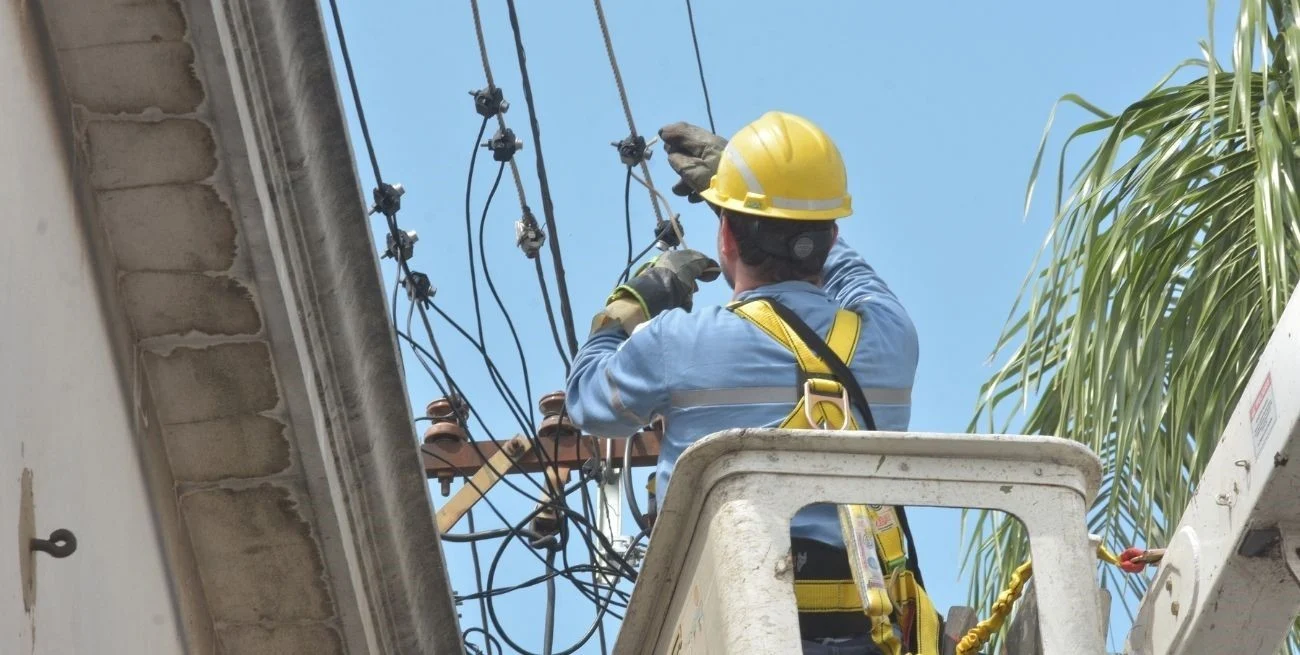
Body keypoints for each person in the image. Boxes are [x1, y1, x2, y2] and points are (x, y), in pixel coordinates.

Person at [564, 111, 923, 654]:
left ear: (726, 236)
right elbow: (849, 271)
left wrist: (632, 303)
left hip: (729, 631)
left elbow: (587, 401)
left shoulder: (677, 343)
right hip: (870, 635)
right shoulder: (890, 338)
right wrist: (767, 196)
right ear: (830, 235)